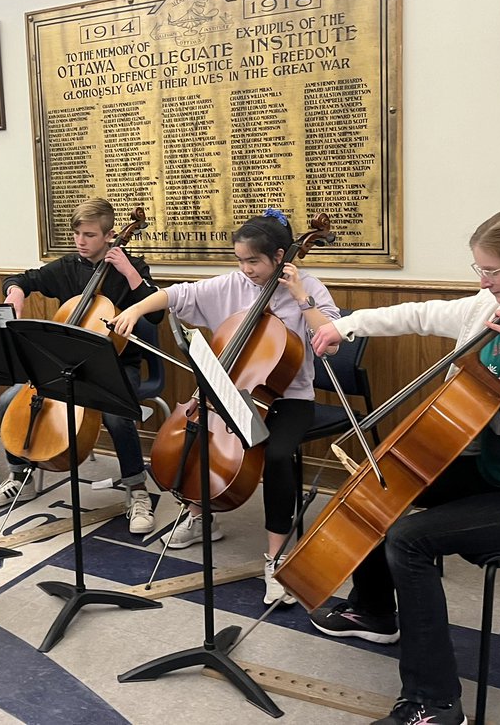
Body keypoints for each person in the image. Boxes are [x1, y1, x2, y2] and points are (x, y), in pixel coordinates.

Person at [306, 208, 500, 725]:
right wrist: (347, 326)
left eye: (492, 271)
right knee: (384, 479)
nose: (483, 282)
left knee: (410, 539)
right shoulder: (488, 307)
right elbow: (418, 314)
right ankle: (375, 611)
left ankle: (436, 703)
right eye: (479, 269)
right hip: (489, 467)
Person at [111, 209, 338, 604]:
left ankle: (276, 557)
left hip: (288, 399)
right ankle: (200, 518)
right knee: (199, 437)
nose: (246, 269)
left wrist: (302, 298)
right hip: (229, 394)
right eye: (240, 261)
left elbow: (331, 341)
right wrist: (134, 309)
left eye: (254, 261)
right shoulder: (232, 284)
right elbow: (177, 294)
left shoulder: (311, 288)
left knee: (279, 455)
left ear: (280, 257)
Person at [0, 198, 163, 535]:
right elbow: (21, 278)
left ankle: (137, 490)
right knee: (8, 401)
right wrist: (15, 292)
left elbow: (156, 314)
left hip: (117, 364)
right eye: (77, 233)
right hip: (63, 364)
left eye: (89, 234)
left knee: (117, 415)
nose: (81, 241)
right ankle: (20, 477)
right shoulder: (67, 267)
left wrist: (130, 273)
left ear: (109, 236)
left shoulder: (132, 268)